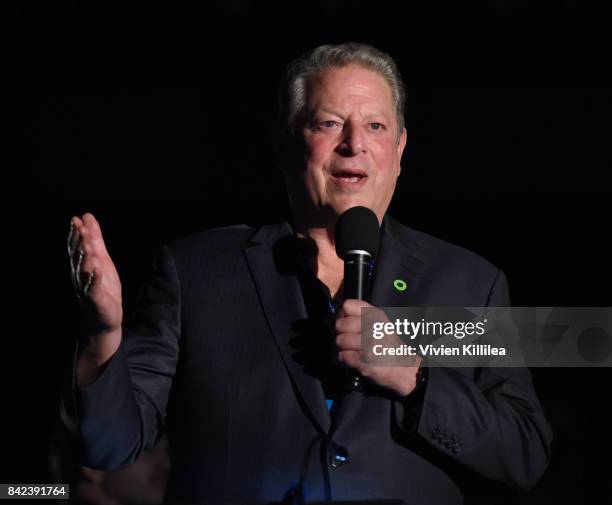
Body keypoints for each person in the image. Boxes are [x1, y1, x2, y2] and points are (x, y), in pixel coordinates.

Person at [62, 43, 552, 504]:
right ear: (285, 144)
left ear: (400, 151)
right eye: (329, 123)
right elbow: (107, 448)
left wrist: (414, 377)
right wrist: (103, 334)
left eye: (376, 127)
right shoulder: (196, 271)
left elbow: (525, 453)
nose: (354, 144)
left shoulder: (468, 283)